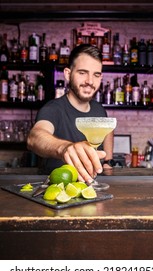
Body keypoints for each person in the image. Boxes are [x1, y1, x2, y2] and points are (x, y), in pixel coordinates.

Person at [27, 44, 115, 184]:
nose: (90, 81)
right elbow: (34, 137)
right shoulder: (52, 109)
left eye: (96, 75)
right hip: (57, 191)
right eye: (82, 73)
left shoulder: (99, 110)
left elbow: (108, 130)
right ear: (68, 74)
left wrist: (108, 161)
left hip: (92, 191)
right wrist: (64, 148)